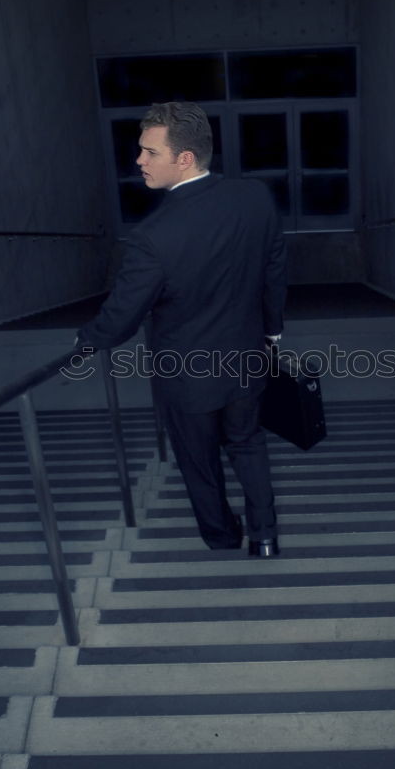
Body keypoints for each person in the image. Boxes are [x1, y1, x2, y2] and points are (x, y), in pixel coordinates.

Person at [76, 101, 287, 557]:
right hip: (247, 355)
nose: (139, 161)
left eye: (150, 152)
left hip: (185, 373)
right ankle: (265, 536)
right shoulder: (255, 197)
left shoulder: (153, 236)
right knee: (249, 444)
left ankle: (223, 537)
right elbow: (273, 267)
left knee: (199, 461)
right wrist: (272, 331)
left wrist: (85, 340)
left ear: (184, 158)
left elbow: (120, 320)